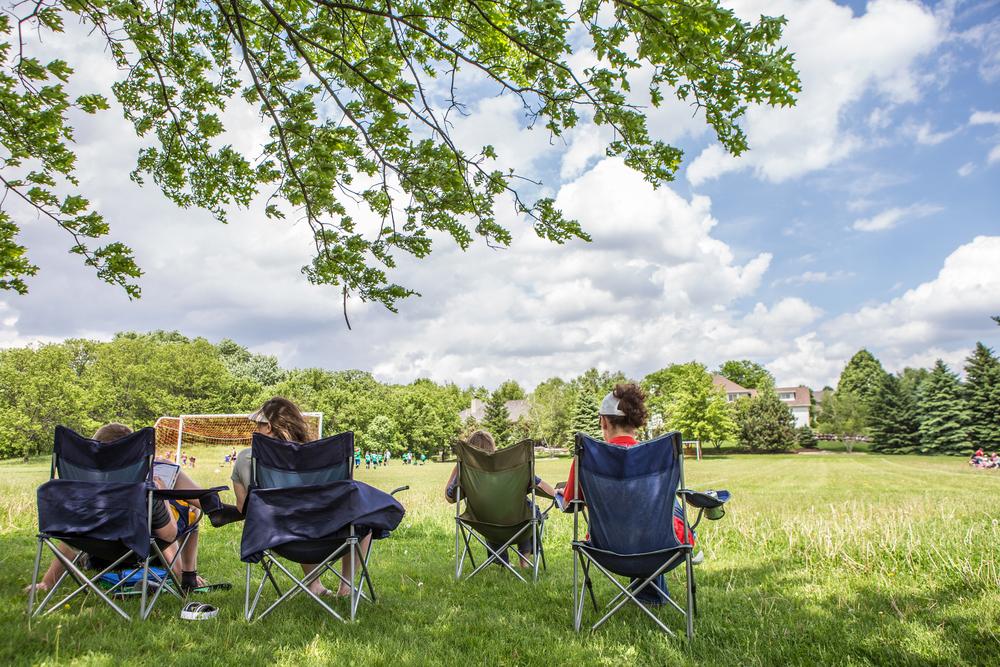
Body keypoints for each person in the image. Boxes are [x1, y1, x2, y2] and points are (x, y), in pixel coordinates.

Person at [26, 423, 234, 595]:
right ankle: (189, 567)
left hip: (93, 548)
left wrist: (47, 582)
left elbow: (69, 537)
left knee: (161, 485)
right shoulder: (144, 487)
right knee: (189, 509)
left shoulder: (82, 489)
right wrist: (158, 494)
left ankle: (212, 506)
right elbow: (168, 534)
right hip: (137, 547)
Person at [559, 383, 697, 605]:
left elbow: (569, 505)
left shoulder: (586, 457)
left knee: (634, 522)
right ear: (635, 422)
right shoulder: (655, 457)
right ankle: (650, 595)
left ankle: (648, 594)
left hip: (606, 549)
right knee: (668, 509)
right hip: (664, 548)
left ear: (603, 421)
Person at [231, 397, 371, 598]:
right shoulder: (321, 457)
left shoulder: (246, 458)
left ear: (268, 427)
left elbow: (243, 508)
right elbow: (346, 500)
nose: (255, 429)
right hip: (334, 539)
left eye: (258, 424)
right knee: (362, 518)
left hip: (278, 539)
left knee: (295, 513)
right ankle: (346, 588)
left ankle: (314, 584)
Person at [444, 430, 557, 568]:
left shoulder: (466, 471)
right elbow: (538, 484)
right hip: (520, 524)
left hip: (485, 524)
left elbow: (450, 497)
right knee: (530, 511)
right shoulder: (509, 467)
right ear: (492, 448)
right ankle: (525, 560)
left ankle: (502, 561)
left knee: (488, 512)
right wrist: (556, 494)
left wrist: (458, 468)